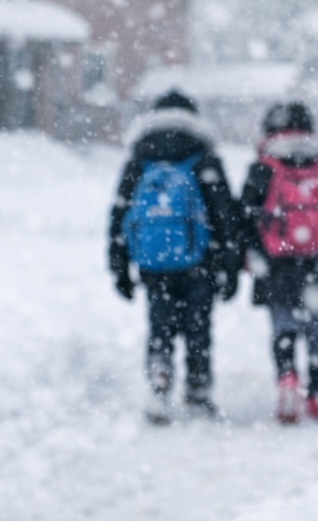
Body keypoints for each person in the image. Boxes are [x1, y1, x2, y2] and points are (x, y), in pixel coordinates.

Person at [109, 90, 242, 424]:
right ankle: (198, 389)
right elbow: (225, 215)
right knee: (198, 325)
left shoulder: (140, 157)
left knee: (160, 323)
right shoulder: (203, 157)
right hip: (201, 261)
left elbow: (121, 214)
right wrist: (230, 266)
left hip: (153, 262)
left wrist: (119, 268)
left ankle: (159, 379)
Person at [239, 102, 318, 424]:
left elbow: (245, 216)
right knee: (317, 329)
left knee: (282, 324)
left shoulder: (264, 166)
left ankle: (287, 377)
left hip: (277, 263)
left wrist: (247, 254)